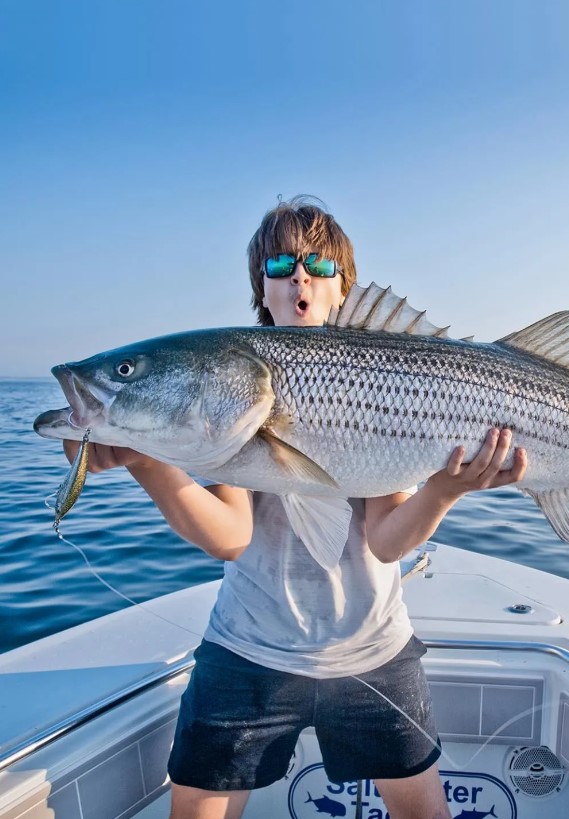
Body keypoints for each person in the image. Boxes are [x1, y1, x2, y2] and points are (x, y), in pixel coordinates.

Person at [63, 198, 527, 819]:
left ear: (343, 286)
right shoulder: (230, 390)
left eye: (318, 265)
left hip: (372, 653)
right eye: (280, 265)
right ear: (262, 288)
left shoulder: (372, 374)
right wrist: (148, 462)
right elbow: (230, 535)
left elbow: (387, 541)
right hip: (246, 650)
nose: (299, 277)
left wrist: (444, 490)